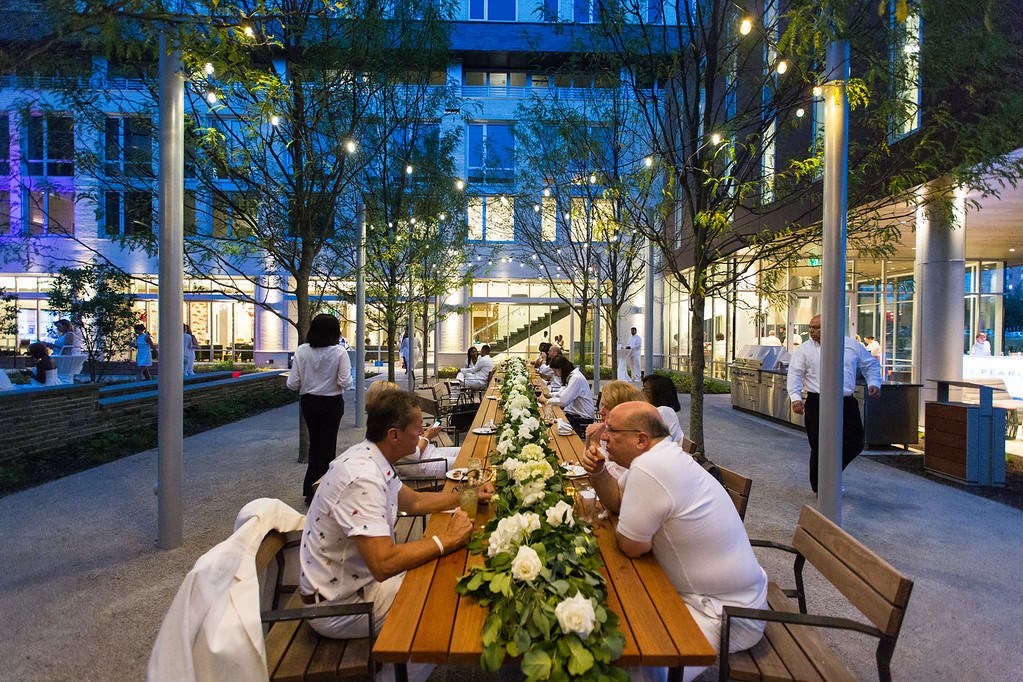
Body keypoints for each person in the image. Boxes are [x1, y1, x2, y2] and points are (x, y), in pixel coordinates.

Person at [581, 402, 767, 681]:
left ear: (641, 439)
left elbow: (632, 547)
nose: (604, 436)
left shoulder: (652, 466)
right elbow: (618, 503)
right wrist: (598, 472)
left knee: (633, 656)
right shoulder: (661, 455)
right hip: (724, 595)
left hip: (725, 613)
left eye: (611, 430)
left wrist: (634, 530)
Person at [300, 390, 492, 641]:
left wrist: (470, 495)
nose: (423, 433)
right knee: (447, 606)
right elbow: (384, 564)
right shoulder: (363, 480)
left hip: (355, 583)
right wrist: (449, 539)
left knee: (443, 575)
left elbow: (415, 501)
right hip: (340, 605)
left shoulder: (370, 456)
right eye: (418, 427)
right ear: (394, 434)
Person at [787, 314, 881, 494]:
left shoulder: (851, 346)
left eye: (817, 327)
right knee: (818, 445)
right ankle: (820, 487)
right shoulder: (805, 349)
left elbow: (870, 365)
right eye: (811, 327)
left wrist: (874, 383)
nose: (812, 331)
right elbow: (795, 374)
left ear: (830, 327)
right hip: (817, 401)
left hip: (845, 401)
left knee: (854, 442)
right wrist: (796, 397)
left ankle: (830, 476)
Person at [287, 313, 354, 505]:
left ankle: (311, 489)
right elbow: (345, 382)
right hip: (332, 403)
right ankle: (325, 489)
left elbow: (293, 383)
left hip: (309, 403)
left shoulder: (301, 351)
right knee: (328, 445)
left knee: (315, 444)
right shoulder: (339, 352)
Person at [366, 381, 458, 477]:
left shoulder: (390, 421)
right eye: (397, 398)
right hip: (424, 464)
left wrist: (421, 434)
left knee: (466, 453)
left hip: (431, 454)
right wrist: (427, 436)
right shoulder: (387, 429)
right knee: (467, 461)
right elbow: (415, 454)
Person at [538, 354, 594, 436]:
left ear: (561, 369)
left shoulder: (576, 378)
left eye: (555, 371)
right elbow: (563, 393)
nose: (555, 375)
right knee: (549, 418)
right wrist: (550, 395)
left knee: (549, 424)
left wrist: (546, 401)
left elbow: (563, 401)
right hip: (575, 415)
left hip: (581, 418)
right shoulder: (573, 376)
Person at [642, 374, 685, 444]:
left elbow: (662, 441)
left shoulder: (664, 411)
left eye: (646, 390)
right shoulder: (658, 410)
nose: (642, 393)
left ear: (658, 393)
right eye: (643, 389)